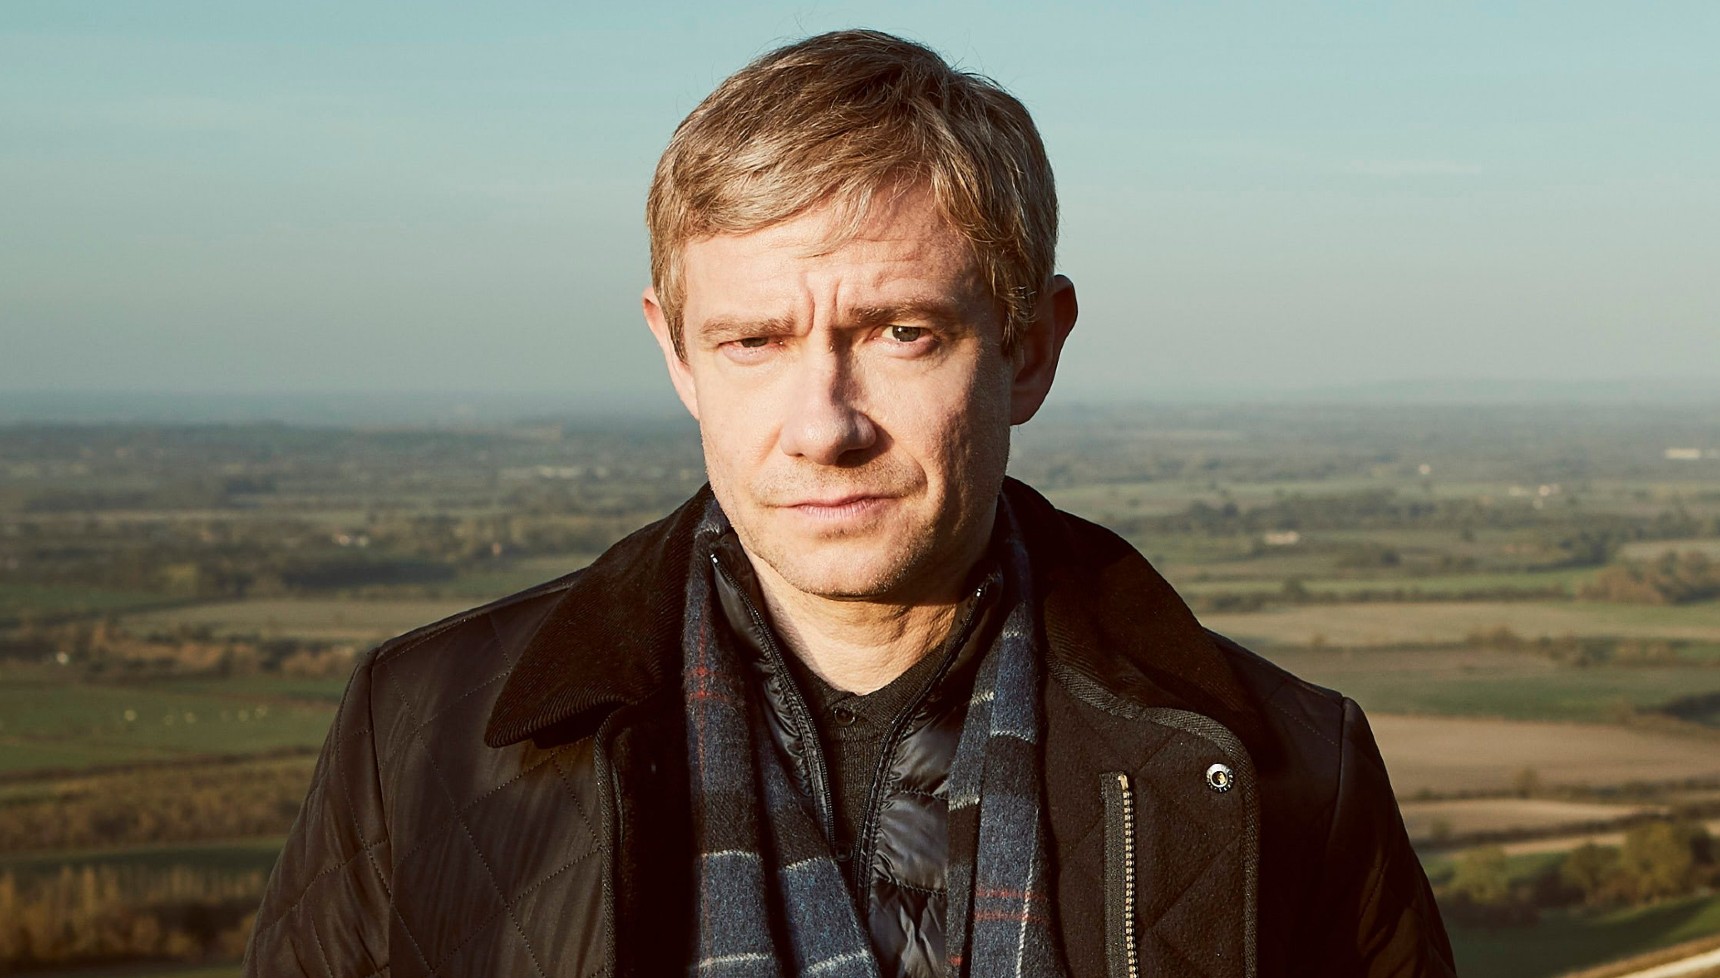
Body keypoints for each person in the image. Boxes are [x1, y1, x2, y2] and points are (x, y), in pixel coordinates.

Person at [243, 29, 1453, 978]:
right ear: (676, 357)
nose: (824, 423)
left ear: (1030, 348)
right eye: (753, 340)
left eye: (901, 332)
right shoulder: (424, 735)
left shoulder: (1281, 768)